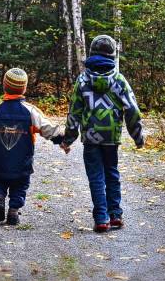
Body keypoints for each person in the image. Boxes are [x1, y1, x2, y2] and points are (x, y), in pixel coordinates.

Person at [59, 35, 145, 233]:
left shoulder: (82, 80)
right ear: (113, 55)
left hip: (90, 138)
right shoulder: (119, 80)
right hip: (111, 138)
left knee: (96, 176)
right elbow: (132, 110)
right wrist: (137, 137)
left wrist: (68, 139)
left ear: (91, 53)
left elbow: (75, 112)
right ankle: (115, 215)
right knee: (112, 173)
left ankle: (101, 218)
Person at [0, 68, 64, 225]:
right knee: (20, 185)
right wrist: (62, 139)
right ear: (24, 88)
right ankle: (13, 211)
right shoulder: (30, 110)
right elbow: (49, 128)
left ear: (4, 86)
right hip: (22, 162)